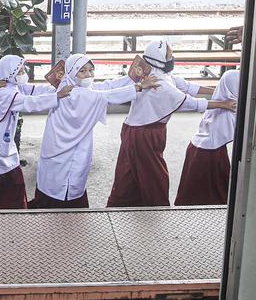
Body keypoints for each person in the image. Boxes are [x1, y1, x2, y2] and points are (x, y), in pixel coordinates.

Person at [106, 40, 236, 208]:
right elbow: (190, 102)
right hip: (144, 134)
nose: (172, 58)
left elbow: (188, 87)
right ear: (159, 58)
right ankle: (159, 210)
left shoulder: (157, 73)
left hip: (139, 131)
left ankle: (119, 205)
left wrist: (220, 91)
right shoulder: (160, 83)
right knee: (155, 177)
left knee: (129, 173)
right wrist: (222, 103)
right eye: (169, 55)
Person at [30, 54, 160, 209]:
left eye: (91, 70)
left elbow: (107, 86)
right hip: (66, 152)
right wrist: (138, 86)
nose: (88, 75)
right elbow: (107, 95)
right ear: (72, 72)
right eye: (82, 71)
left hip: (56, 150)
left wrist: (132, 78)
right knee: (65, 189)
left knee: (54, 183)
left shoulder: (67, 85)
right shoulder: (76, 93)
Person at [0, 55, 70, 210]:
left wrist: (55, 87)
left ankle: (16, 206)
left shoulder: (12, 85)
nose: (24, 74)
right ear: (9, 73)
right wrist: (57, 95)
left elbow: (34, 91)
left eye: (23, 69)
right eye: (20, 71)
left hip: (5, 139)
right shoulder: (3, 92)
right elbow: (30, 102)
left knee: (11, 174)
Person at [175, 68, 241, 206]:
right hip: (208, 154)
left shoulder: (222, 101)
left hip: (200, 150)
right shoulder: (231, 108)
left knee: (195, 192)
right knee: (211, 194)